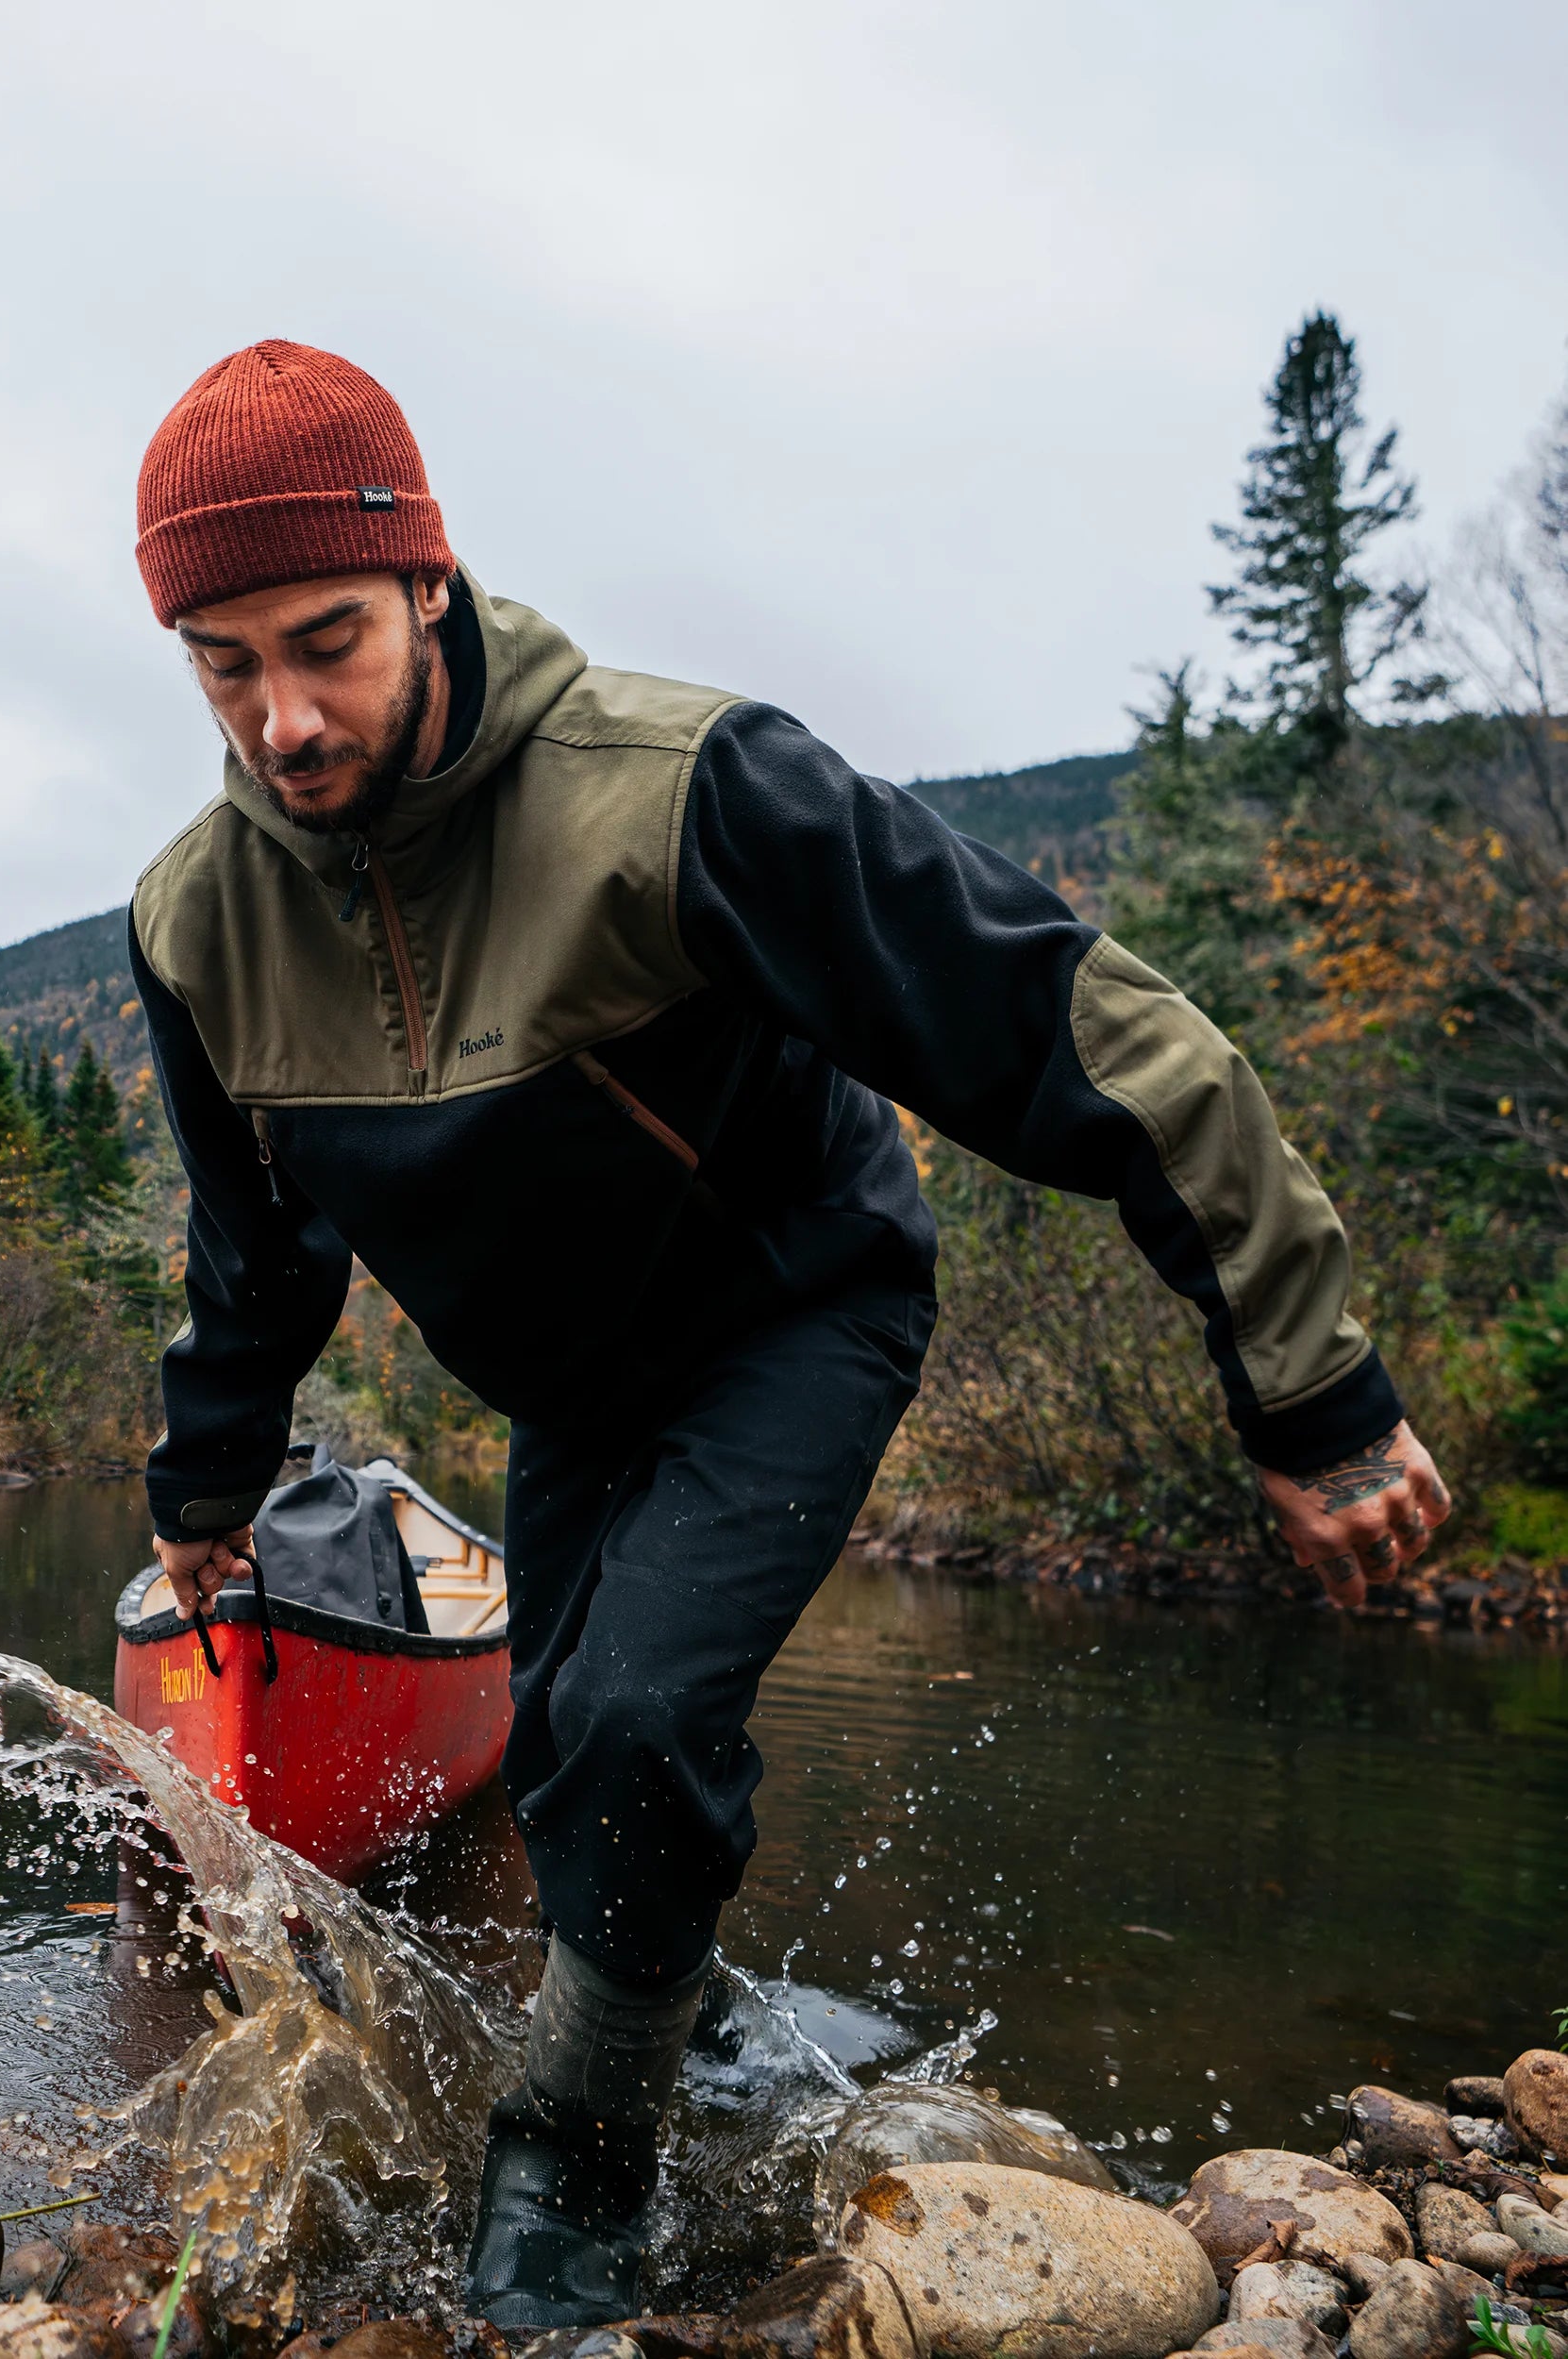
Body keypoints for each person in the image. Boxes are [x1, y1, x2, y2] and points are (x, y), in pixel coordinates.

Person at [125, 341, 1450, 2327]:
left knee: (639, 1719)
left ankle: (572, 2164)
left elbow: (1087, 1037)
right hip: (566, 1385)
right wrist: (207, 1485)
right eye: (224, 665)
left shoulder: (678, 789)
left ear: (428, 581)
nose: (286, 717)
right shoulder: (195, 923)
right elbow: (252, 1249)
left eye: (325, 640)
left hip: (792, 1305)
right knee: (572, 1763)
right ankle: (703, 2004)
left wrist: (1312, 1386)